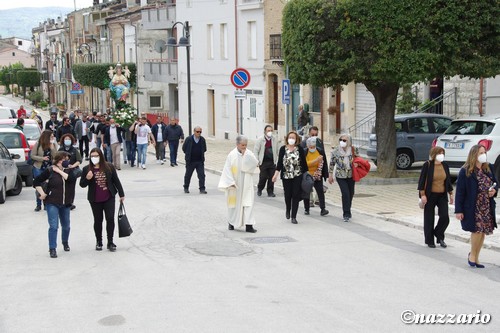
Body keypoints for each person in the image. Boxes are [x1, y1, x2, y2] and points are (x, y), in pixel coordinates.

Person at [455, 144, 498, 268]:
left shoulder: (488, 167)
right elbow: (460, 192)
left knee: (483, 232)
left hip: (487, 205)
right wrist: (459, 210)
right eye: (480, 153)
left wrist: (493, 191)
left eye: (484, 152)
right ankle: (472, 255)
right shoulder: (466, 170)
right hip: (474, 206)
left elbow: (495, 183)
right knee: (477, 230)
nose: (483, 155)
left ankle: (476, 256)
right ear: (474, 155)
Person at [33, 151, 78, 258]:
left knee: (66, 226)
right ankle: (52, 248)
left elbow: (70, 179)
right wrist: (42, 193)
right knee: (54, 226)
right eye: (64, 159)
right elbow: (36, 182)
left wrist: (59, 170)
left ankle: (65, 242)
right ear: (58, 160)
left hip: (65, 203)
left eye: (67, 159)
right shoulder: (49, 171)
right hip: (52, 202)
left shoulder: (70, 171)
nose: (66, 161)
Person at [80, 148, 125, 252]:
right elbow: (82, 184)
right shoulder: (87, 169)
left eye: (96, 156)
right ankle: (99, 241)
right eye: (92, 156)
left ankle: (110, 242)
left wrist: (121, 194)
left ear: (100, 156)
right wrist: (87, 178)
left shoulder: (109, 167)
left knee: (110, 218)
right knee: (98, 220)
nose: (94, 158)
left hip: (109, 197)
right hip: (94, 199)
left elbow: (116, 181)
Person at [218, 135, 259, 233]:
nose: (244, 147)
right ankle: (231, 223)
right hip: (234, 184)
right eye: (242, 145)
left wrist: (247, 156)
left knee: (248, 204)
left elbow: (256, 164)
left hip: (246, 184)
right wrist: (230, 182)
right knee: (233, 205)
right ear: (237, 144)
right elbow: (227, 169)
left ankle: (249, 225)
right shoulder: (231, 155)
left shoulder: (249, 153)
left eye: (245, 145)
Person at [418, 147, 454, 248]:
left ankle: (439, 235)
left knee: (445, 217)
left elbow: (448, 181)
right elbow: (422, 181)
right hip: (430, 194)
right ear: (434, 154)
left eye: (443, 153)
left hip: (442, 195)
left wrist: (451, 193)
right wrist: (423, 195)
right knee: (429, 218)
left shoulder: (445, 165)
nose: (441, 155)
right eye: (439, 153)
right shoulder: (428, 165)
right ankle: (429, 240)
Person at [272, 131, 307, 224]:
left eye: (293, 138)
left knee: (295, 195)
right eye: (290, 137)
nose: (291, 139)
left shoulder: (300, 149)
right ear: (287, 138)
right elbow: (279, 164)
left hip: (297, 175)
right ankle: (288, 209)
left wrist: (307, 176)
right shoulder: (283, 149)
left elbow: (304, 163)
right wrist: (275, 175)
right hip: (286, 176)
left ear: (296, 139)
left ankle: (294, 216)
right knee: (288, 195)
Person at [328, 134, 359, 222]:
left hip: (351, 174)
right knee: (345, 193)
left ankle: (348, 209)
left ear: (348, 141)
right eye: (341, 140)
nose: (342, 142)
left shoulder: (353, 149)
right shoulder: (336, 151)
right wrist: (330, 175)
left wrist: (357, 164)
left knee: (351, 193)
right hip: (340, 175)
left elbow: (358, 159)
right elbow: (332, 163)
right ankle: (346, 213)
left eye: (344, 140)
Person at [31, 130, 58, 212]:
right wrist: (42, 158)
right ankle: (38, 204)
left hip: (49, 168)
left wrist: (52, 148)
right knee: (38, 185)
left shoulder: (53, 144)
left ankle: (46, 203)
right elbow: (32, 155)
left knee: (47, 185)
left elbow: (56, 156)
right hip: (39, 167)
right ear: (47, 137)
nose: (52, 138)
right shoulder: (38, 144)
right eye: (51, 136)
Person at [303, 137, 329, 216]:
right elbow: (304, 164)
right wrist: (315, 161)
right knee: (307, 192)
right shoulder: (305, 152)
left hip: (317, 175)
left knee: (320, 191)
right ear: (307, 146)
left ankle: (323, 209)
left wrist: (325, 175)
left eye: (314, 146)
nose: (312, 148)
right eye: (311, 147)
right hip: (308, 175)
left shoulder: (320, 151)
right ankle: (307, 209)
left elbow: (324, 163)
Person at [253, 125, 278, 197]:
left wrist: (278, 160)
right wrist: (257, 160)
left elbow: (277, 150)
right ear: (265, 131)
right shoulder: (260, 139)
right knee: (263, 177)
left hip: (272, 161)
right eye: (268, 130)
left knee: (272, 177)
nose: (270, 132)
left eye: (271, 131)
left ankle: (270, 191)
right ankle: (260, 188)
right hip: (263, 162)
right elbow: (256, 150)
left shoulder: (274, 139)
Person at [182, 126, 207, 194]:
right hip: (190, 161)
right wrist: (188, 154)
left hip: (199, 161)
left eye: (200, 132)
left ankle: (202, 188)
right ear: (194, 131)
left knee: (201, 175)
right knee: (188, 175)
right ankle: (186, 187)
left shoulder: (202, 140)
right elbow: (184, 148)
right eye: (197, 132)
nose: (199, 133)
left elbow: (204, 149)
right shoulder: (188, 139)